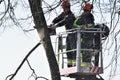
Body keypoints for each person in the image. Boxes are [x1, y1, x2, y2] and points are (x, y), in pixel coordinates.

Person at [49, 0, 76, 67]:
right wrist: (53, 23)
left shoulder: (70, 15)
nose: (63, 10)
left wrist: (55, 26)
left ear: (68, 8)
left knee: (74, 50)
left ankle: (75, 65)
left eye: (64, 8)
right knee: (67, 50)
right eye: (63, 8)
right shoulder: (64, 14)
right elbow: (58, 18)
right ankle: (69, 65)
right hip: (69, 34)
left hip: (74, 34)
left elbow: (64, 22)